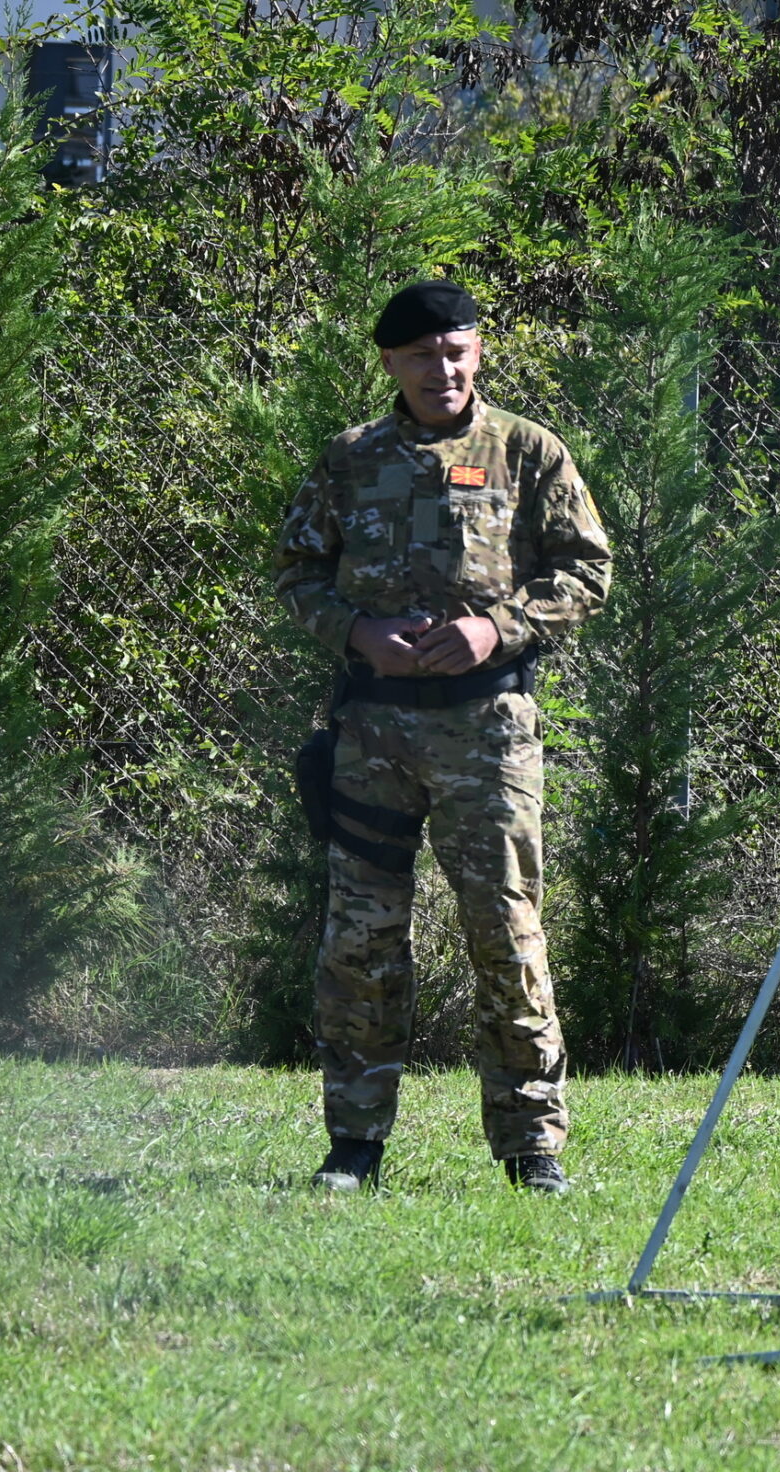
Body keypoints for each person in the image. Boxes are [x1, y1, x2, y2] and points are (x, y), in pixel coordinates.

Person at [273, 280, 612, 1193]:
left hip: (488, 734)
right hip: (373, 732)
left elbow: (587, 570)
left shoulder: (528, 452)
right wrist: (354, 631)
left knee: (505, 929)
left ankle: (532, 1145)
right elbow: (298, 569)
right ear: (390, 361)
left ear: (478, 351)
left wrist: (493, 630)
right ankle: (354, 1144)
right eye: (421, 354)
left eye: (455, 350)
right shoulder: (349, 459)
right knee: (361, 938)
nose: (442, 369)